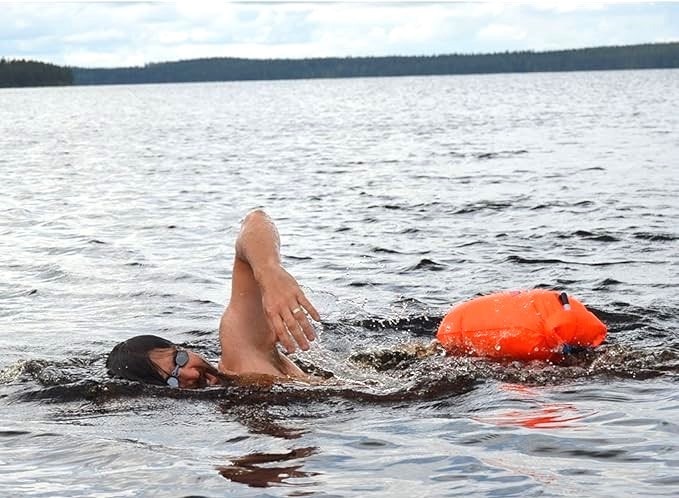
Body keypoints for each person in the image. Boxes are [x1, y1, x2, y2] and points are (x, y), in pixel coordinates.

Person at [106, 209, 321, 389]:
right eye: (172, 381)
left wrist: (268, 270)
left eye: (178, 360)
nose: (190, 375)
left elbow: (255, 221)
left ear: (180, 347)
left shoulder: (241, 355)